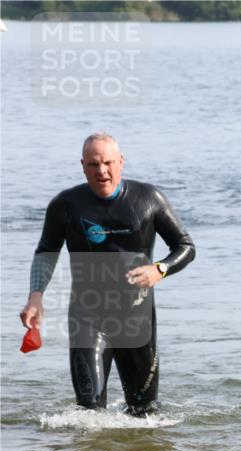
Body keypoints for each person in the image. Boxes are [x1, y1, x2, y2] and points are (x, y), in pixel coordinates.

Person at [19, 132, 195, 416]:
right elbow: (46, 251)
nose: (102, 171)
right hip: (87, 318)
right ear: (82, 165)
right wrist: (35, 296)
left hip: (137, 321)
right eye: (93, 164)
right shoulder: (66, 205)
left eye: (108, 162)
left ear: (121, 161)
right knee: (88, 415)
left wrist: (159, 269)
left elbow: (185, 246)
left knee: (145, 414)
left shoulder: (149, 199)